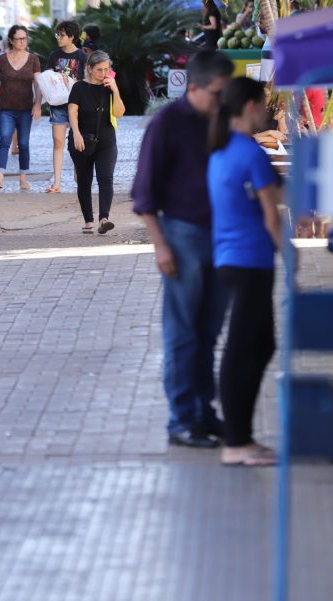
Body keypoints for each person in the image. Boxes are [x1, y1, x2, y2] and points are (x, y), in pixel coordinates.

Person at [131, 50, 234, 448]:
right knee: (183, 332)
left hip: (221, 236)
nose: (221, 101)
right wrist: (161, 245)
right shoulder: (167, 125)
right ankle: (182, 419)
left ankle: (204, 411)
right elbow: (143, 195)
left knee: (209, 331)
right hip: (182, 234)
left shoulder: (221, 121)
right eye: (216, 93)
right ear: (194, 87)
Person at [207, 77, 282, 466]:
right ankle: (237, 441)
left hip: (232, 258)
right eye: (263, 104)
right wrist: (293, 256)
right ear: (249, 106)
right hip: (251, 259)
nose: (266, 111)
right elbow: (272, 217)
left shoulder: (220, 150)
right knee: (241, 348)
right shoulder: (250, 154)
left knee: (262, 343)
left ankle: (242, 437)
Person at [66, 50, 125, 234]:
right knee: (84, 180)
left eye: (106, 69)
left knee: (106, 178)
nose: (103, 73)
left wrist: (115, 89)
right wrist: (76, 134)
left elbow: (119, 113)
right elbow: (72, 112)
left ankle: (104, 219)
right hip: (82, 140)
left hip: (106, 140)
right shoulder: (79, 88)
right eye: (99, 69)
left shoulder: (109, 87)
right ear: (90, 69)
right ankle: (88, 220)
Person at [0, 24, 42, 191]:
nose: (22, 41)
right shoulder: (2, 59)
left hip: (26, 108)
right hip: (6, 109)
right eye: (18, 38)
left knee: (23, 144)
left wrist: (38, 104)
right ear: (11, 40)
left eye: (24, 38)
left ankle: (23, 178)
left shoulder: (33, 59)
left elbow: (39, 84)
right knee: (4, 140)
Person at [45, 20, 87, 193]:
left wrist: (70, 81)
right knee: (58, 141)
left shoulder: (82, 57)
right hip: (58, 104)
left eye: (62, 35)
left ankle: (80, 173)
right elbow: (47, 78)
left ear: (72, 37)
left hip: (78, 104)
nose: (58, 38)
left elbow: (86, 81)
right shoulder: (54, 56)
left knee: (78, 142)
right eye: (58, 34)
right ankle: (57, 183)